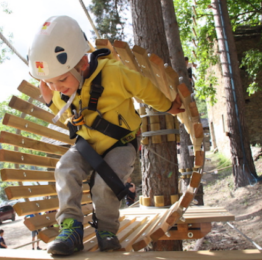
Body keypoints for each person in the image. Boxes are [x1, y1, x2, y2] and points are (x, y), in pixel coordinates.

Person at [28, 15, 184, 256]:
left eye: (61, 79)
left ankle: (107, 230)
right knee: (64, 168)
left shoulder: (115, 73)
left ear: (81, 62)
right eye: (51, 82)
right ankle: (71, 229)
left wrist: (167, 106)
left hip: (120, 144)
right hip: (87, 146)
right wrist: (48, 92)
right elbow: (58, 104)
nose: (57, 87)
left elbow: (144, 88)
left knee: (105, 183)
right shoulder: (64, 90)